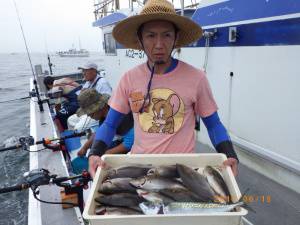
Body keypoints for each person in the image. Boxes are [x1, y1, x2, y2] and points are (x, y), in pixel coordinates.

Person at [88, 0, 239, 178]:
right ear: (140, 39)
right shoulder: (128, 79)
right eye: (151, 35)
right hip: (141, 169)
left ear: (176, 38)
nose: (159, 44)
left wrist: (230, 155)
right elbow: (110, 124)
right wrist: (95, 153)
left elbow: (213, 125)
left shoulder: (196, 78)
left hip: (182, 171)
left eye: (166, 35)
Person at [76, 89, 134, 157]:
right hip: (124, 139)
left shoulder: (120, 114)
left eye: (90, 112)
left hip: (136, 143)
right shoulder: (104, 114)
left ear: (99, 108)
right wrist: (85, 147)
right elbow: (99, 132)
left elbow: (129, 143)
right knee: (97, 149)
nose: (88, 115)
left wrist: (106, 154)